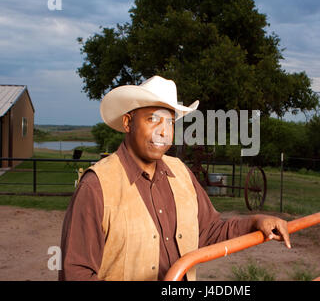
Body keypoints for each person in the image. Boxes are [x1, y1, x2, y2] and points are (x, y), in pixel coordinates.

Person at [59, 75, 291, 281]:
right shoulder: (97, 185)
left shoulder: (180, 172)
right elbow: (76, 273)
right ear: (128, 123)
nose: (164, 131)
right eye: (152, 119)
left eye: (170, 121)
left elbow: (209, 231)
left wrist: (255, 221)